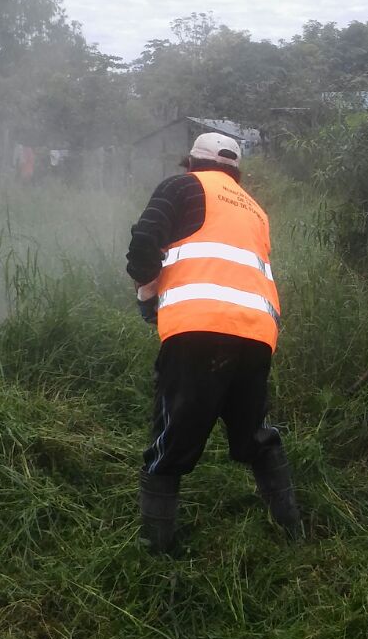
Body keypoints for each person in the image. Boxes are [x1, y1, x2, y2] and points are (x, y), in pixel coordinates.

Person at [125, 131, 299, 554]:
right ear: (236, 171)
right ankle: (294, 534)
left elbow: (145, 244)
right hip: (257, 334)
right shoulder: (254, 208)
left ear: (192, 162)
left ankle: (156, 554)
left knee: (171, 442)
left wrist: (147, 294)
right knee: (252, 434)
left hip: (200, 330)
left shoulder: (182, 185)